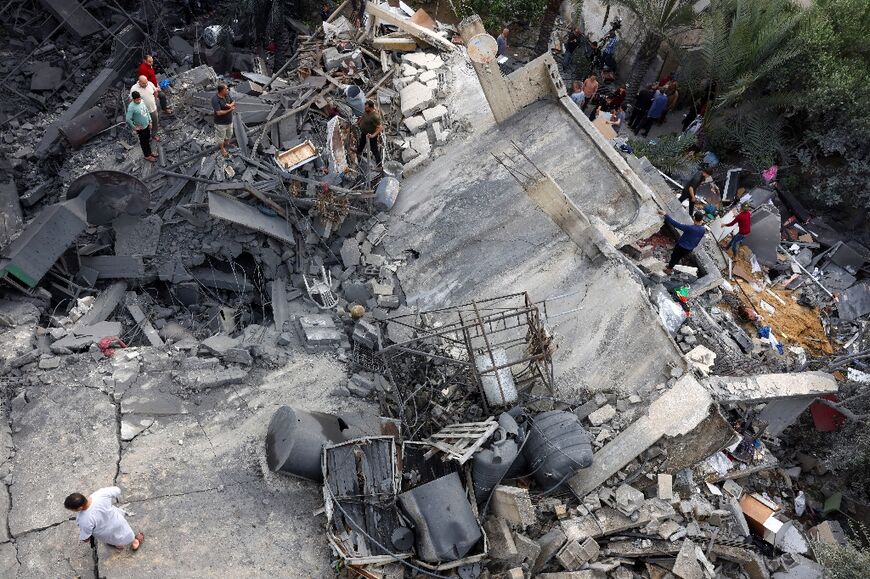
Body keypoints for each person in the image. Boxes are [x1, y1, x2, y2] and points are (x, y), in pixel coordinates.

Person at [65, 487, 144, 551]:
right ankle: (135, 542)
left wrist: (86, 540)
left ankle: (119, 546)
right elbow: (117, 490)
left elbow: (85, 537)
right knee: (126, 532)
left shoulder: (83, 519)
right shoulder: (100, 494)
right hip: (117, 521)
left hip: (105, 533)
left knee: (113, 539)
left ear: (79, 508)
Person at [661, 210, 707, 274]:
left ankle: (669, 269)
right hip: (689, 249)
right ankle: (671, 266)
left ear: (694, 218)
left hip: (681, 246)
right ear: (701, 220)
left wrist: (665, 214)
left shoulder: (690, 228)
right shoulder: (703, 229)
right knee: (678, 257)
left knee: (674, 256)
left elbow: (676, 224)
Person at [126, 91, 157, 162]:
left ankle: (150, 152)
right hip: (141, 129)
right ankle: (147, 156)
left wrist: (150, 122)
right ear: (133, 99)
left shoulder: (142, 102)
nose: (139, 100)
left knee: (148, 139)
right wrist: (134, 127)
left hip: (147, 125)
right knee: (144, 142)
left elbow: (146, 111)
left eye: (139, 99)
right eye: (137, 100)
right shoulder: (131, 107)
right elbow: (128, 119)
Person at [130, 75, 160, 141]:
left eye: (146, 82)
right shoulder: (134, 89)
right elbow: (132, 100)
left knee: (155, 122)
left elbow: (155, 91)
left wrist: (155, 99)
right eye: (144, 83)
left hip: (152, 108)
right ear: (139, 82)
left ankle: (154, 135)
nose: (146, 84)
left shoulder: (149, 84)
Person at [356, 100, 383, 166]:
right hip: (364, 132)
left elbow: (380, 128)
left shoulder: (375, 116)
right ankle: (358, 152)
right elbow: (363, 116)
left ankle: (379, 165)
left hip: (370, 135)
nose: (365, 109)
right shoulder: (366, 111)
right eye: (365, 107)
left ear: (371, 108)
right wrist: (358, 122)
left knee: (374, 149)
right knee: (361, 143)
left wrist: (373, 135)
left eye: (366, 108)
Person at [212, 84, 236, 157]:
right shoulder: (215, 99)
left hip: (229, 121)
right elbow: (219, 113)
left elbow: (233, 102)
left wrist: (229, 105)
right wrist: (230, 109)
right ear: (222, 90)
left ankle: (227, 144)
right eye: (226, 89)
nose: (228, 90)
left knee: (229, 134)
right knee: (220, 138)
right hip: (220, 123)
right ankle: (222, 149)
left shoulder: (227, 95)